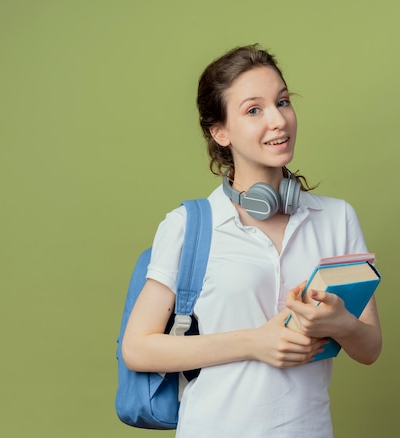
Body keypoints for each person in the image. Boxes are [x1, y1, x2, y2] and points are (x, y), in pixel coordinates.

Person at [121, 44, 382, 437]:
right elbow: (138, 348)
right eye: (254, 110)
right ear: (220, 131)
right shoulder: (188, 226)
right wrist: (255, 342)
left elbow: (369, 349)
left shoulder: (335, 218)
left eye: (283, 102)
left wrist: (339, 322)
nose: (278, 120)